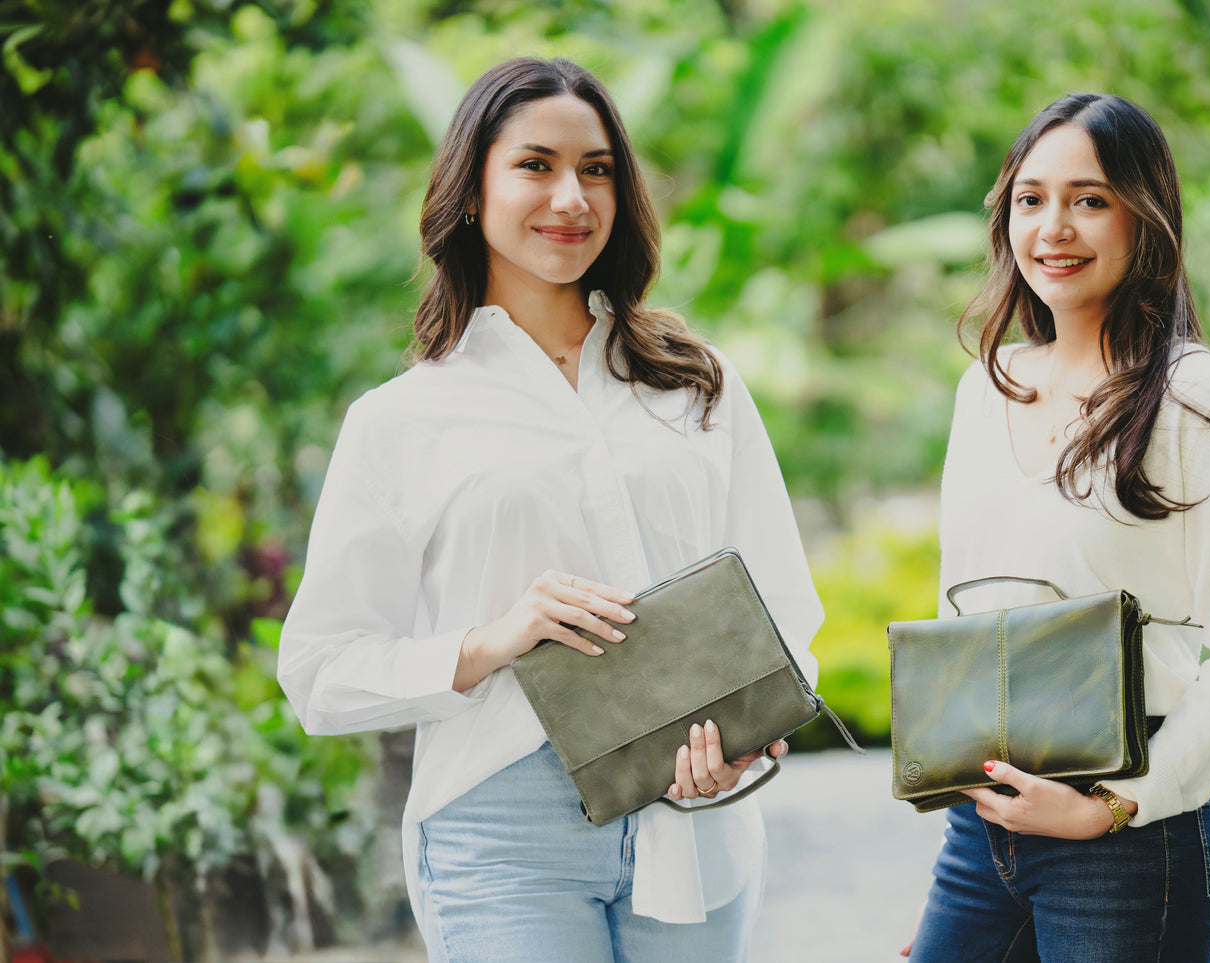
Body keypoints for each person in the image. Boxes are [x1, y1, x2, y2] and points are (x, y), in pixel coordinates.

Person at [276, 57, 822, 961]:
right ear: (471, 187)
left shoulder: (697, 386)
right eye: (535, 165)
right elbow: (320, 671)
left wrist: (744, 741)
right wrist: (491, 640)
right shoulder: (400, 420)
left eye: (596, 168)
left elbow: (784, 605)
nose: (571, 196)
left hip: (694, 824)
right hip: (499, 824)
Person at [903, 93, 1210, 961]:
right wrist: (958, 889)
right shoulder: (988, 385)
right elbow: (967, 616)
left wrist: (1114, 803)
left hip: (1130, 837)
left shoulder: (1193, 397)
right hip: (985, 832)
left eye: (1089, 199)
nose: (1054, 227)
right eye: (1030, 199)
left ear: (1144, 217)